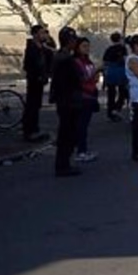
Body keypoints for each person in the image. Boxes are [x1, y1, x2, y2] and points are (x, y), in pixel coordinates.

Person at [51, 27, 82, 176]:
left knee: (67, 133)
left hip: (65, 100)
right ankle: (63, 165)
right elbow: (74, 80)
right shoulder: (66, 59)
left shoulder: (61, 56)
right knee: (67, 134)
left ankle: (64, 163)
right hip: (68, 101)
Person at [21, 23, 52, 142]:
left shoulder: (43, 48)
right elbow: (29, 65)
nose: (44, 35)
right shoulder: (32, 48)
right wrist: (38, 75)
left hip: (40, 80)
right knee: (32, 105)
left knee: (36, 105)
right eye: (42, 33)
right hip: (34, 80)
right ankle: (29, 130)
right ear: (35, 34)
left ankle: (34, 129)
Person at [73, 37, 101, 163]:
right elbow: (82, 79)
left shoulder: (88, 62)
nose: (87, 49)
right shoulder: (77, 62)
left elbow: (93, 79)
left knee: (84, 124)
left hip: (91, 95)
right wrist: (96, 70)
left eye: (88, 46)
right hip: (82, 96)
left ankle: (83, 149)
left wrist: (96, 74)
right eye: (84, 46)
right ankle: (81, 151)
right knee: (81, 125)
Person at [102, 32, 129, 121]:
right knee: (123, 92)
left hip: (111, 72)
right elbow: (125, 60)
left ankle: (110, 112)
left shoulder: (108, 49)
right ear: (120, 39)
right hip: (121, 72)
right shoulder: (122, 48)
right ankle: (117, 108)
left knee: (111, 93)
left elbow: (105, 62)